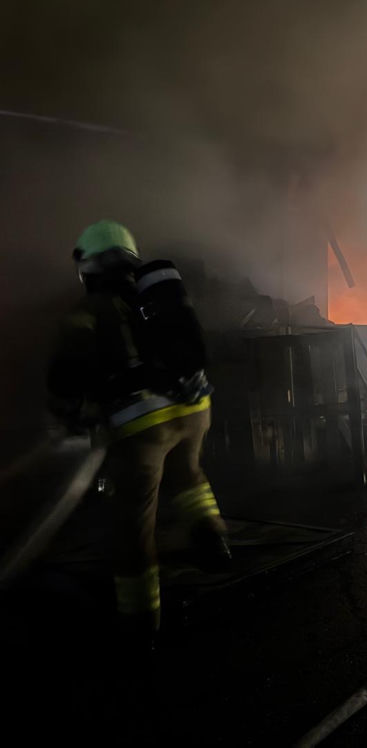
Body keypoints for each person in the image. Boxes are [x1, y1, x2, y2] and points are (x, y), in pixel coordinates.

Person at [47, 220, 230, 639]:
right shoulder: (154, 296)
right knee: (189, 475)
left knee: (134, 524)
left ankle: (140, 623)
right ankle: (214, 540)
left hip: (143, 425)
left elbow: (67, 372)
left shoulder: (86, 312)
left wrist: (68, 411)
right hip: (194, 407)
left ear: (88, 265)